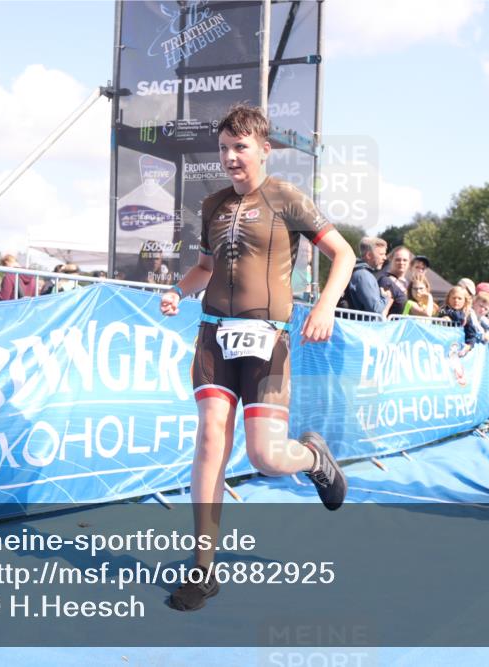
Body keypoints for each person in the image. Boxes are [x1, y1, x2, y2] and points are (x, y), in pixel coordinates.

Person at [158, 105, 355, 612]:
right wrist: (179, 291)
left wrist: (326, 306)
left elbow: (345, 254)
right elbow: (204, 268)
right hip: (213, 336)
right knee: (210, 439)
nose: (230, 157)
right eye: (224, 148)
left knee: (266, 457)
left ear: (264, 149)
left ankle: (313, 458)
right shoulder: (212, 205)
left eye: (240, 147)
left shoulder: (287, 198)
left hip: (268, 340)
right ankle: (203, 570)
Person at [342, 236, 392, 314]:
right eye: (381, 254)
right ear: (369, 255)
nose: (385, 258)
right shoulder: (363, 275)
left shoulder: (357, 272)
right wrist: (385, 297)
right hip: (360, 321)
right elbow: (375, 309)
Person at [439, 285, 480, 355]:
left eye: (459, 298)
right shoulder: (444, 310)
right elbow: (444, 313)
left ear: (465, 301)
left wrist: (469, 346)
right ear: (448, 299)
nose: (456, 300)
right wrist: (444, 319)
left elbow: (471, 334)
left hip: (458, 349)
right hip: (442, 346)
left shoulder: (467, 314)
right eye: (453, 298)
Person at [378, 246, 413, 316]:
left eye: (405, 260)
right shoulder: (386, 281)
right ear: (391, 260)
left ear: (409, 262)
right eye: (398, 260)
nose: (401, 263)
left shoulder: (409, 283)